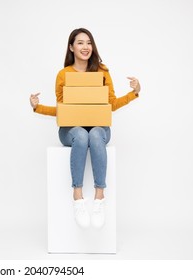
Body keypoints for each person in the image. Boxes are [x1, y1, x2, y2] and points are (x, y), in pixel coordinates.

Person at [29, 28, 140, 229]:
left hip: (99, 127)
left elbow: (111, 104)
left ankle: (99, 198)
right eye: (80, 43)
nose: (85, 47)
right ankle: (78, 197)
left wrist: (134, 93)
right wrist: (38, 108)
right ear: (71, 47)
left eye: (88, 42)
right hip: (71, 130)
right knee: (81, 134)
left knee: (96, 133)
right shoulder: (64, 74)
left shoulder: (102, 71)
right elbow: (64, 110)